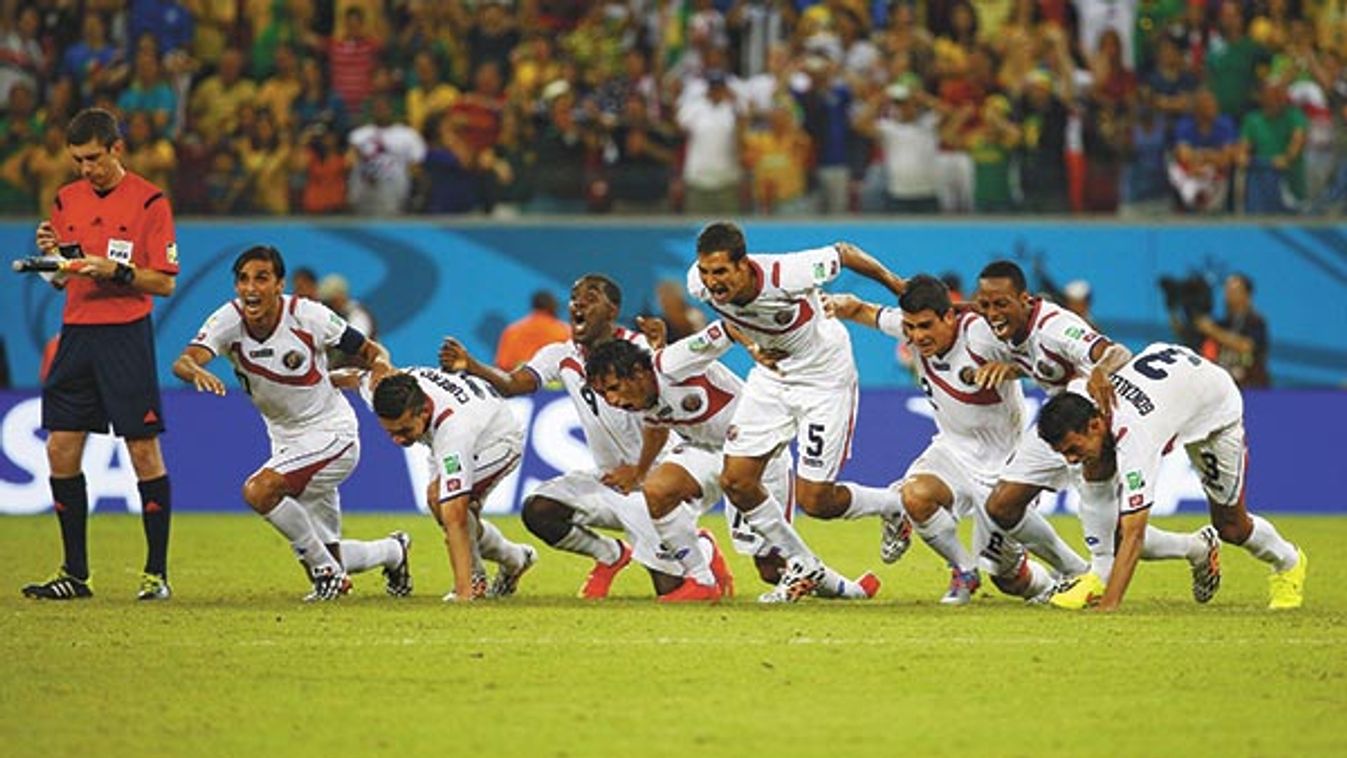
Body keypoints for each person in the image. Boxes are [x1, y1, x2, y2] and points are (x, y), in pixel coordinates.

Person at [687, 221, 912, 602]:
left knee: (816, 502)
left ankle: (895, 506)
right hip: (772, 377)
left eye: (721, 271)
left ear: (743, 265)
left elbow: (844, 251)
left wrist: (899, 288)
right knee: (737, 482)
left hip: (824, 375)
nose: (712, 281)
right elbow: (730, 319)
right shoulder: (698, 282)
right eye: (707, 271)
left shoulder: (786, 273)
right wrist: (753, 348)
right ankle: (801, 563)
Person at [973, 260, 1219, 606]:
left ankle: (1194, 548)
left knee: (1120, 535)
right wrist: (1012, 369)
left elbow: (1117, 352)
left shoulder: (1055, 327)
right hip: (1057, 422)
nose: (991, 313)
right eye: (984, 305)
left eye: (1000, 304)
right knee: (1002, 505)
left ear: (1024, 299)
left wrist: (1101, 371)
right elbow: (1045, 366)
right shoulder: (1005, 323)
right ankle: (1073, 571)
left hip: (1090, 423)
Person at [172, 245, 411, 601]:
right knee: (329, 550)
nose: (251, 288)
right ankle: (393, 552)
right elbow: (184, 361)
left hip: (332, 434)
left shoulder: (309, 315)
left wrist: (379, 368)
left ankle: (325, 573)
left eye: (262, 278)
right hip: (285, 441)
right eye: (243, 280)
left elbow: (372, 350)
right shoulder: (227, 319)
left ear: (279, 284)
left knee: (260, 490)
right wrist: (195, 370)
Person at [439, 274, 701, 599]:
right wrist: (472, 365)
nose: (578, 303)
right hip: (611, 481)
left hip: (660, 480)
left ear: (612, 310)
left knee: (670, 591)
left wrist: (641, 473)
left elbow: (664, 414)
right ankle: (610, 555)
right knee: (539, 510)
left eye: (591, 297)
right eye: (575, 297)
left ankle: (697, 544)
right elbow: (512, 384)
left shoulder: (639, 348)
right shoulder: (559, 355)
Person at [583, 328, 881, 603]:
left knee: (769, 566)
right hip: (707, 450)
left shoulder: (672, 363)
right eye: (604, 394)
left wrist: (754, 348)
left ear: (637, 372)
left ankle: (845, 588)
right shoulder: (639, 399)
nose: (612, 400)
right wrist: (639, 471)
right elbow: (656, 426)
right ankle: (701, 581)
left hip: (757, 450)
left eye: (613, 387)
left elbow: (725, 327)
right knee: (658, 489)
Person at [829, 276, 1063, 604]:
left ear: (949, 317)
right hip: (951, 450)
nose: (917, 336)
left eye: (926, 326)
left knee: (1007, 576)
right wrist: (833, 304)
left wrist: (1011, 370)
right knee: (916, 496)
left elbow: (1044, 356)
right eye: (911, 327)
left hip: (1004, 464)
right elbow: (859, 309)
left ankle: (1053, 585)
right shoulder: (911, 328)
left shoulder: (982, 335)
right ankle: (964, 571)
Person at [22, 108, 178, 602]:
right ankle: (75, 573)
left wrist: (116, 270)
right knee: (60, 449)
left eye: (92, 159)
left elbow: (166, 283)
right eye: (77, 161)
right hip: (77, 334)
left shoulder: (151, 201)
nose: (85, 169)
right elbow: (64, 276)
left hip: (125, 334)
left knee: (141, 449)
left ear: (116, 149)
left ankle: (155, 574)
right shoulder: (65, 199)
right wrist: (53, 259)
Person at [1038, 344, 1307, 610]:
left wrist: (1110, 605)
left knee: (1231, 527)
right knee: (1095, 463)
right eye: (1063, 452)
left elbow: (1134, 534)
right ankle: (1099, 575)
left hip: (1214, 411)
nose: (1070, 459)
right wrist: (1101, 369)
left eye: (1073, 448)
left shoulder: (1135, 437)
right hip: (1173, 380)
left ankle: (1289, 562)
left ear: (1095, 424)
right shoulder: (1081, 393)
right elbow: (1118, 352)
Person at [371, 370, 538, 602]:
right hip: (465, 429)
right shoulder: (388, 390)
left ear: (425, 411)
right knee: (445, 506)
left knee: (446, 503)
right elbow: (367, 361)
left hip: (496, 441)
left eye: (404, 430)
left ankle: (474, 580)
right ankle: (516, 559)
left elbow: (455, 516)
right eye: (390, 432)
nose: (397, 440)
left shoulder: (454, 428)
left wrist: (463, 593)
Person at [1196, 274, 1270, 388]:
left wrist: (1212, 330)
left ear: (1247, 295)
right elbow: (1204, 353)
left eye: (1234, 290)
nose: (1228, 294)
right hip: (1224, 391)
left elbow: (1246, 346)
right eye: (1227, 290)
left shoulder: (1256, 322)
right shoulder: (1222, 324)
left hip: (1252, 388)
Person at [494, 290, 571, 370]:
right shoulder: (565, 331)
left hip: (516, 380)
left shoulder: (512, 331)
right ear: (553, 306)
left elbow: (502, 365)